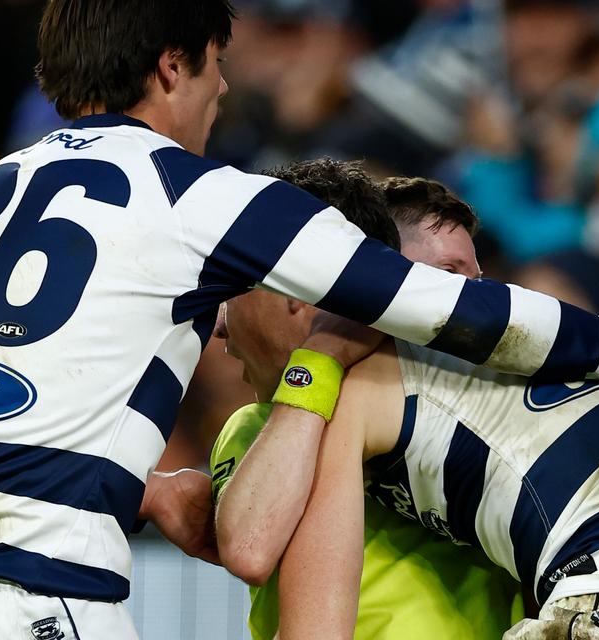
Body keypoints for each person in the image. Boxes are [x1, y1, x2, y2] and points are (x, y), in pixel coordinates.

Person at [0, 0, 599, 639]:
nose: (223, 91)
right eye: (215, 65)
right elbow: (428, 302)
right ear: (171, 66)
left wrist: (147, 485)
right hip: (37, 597)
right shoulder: (196, 195)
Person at [213, 163, 599, 638]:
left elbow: (272, 571)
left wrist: (318, 363)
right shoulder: (550, 343)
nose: (217, 323)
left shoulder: (359, 378)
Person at [212, 169, 519, 639]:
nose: (219, 323)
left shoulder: (462, 402)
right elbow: (251, 545)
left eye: (232, 285)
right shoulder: (250, 427)